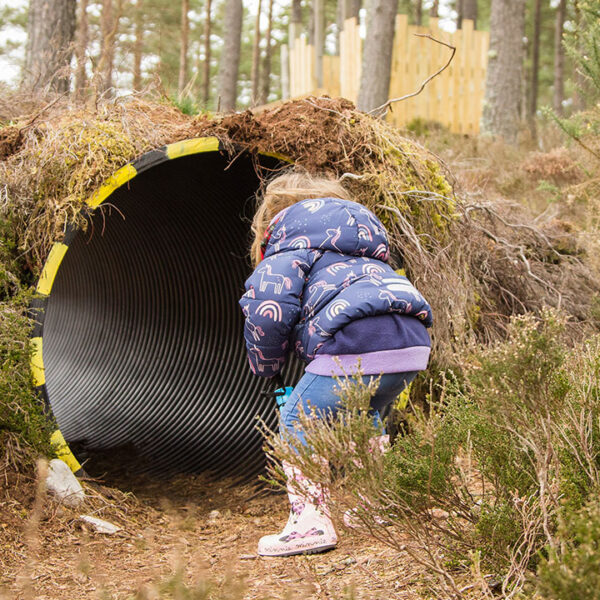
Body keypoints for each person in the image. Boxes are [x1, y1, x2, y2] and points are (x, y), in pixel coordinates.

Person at [239, 171, 433, 557]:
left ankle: (309, 523)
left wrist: (264, 365)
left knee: (298, 420)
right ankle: (376, 504)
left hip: (352, 341)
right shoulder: (364, 248)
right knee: (365, 415)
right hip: (410, 343)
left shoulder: (290, 249)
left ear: (274, 219)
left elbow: (267, 311)